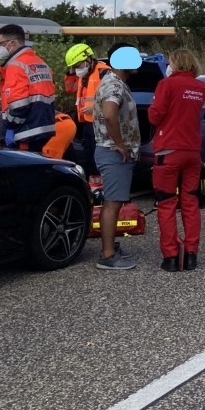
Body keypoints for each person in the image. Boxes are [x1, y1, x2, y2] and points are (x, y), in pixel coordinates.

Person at [148, 49, 205, 271]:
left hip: (169, 149)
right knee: (190, 202)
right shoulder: (200, 87)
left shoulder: (166, 84)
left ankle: (171, 256)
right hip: (192, 150)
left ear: (175, 63)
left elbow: (155, 115)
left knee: (166, 203)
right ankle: (191, 253)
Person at [91, 44, 143, 270]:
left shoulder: (114, 82)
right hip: (113, 153)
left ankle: (110, 246)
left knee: (115, 201)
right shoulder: (114, 85)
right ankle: (108, 255)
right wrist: (120, 144)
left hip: (111, 151)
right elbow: (110, 114)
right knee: (112, 203)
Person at [0, 24, 56, 153]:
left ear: (13, 42)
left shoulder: (15, 66)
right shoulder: (40, 63)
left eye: (0, 44)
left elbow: (19, 106)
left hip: (25, 133)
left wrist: (10, 128)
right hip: (43, 128)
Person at [63, 42, 111, 177]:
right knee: (89, 157)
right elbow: (70, 88)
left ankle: (103, 186)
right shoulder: (82, 75)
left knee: (98, 159)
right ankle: (95, 185)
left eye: (78, 65)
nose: (76, 69)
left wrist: (96, 108)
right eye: (74, 66)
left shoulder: (103, 72)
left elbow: (114, 97)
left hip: (101, 123)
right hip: (87, 123)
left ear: (89, 59)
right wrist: (71, 72)